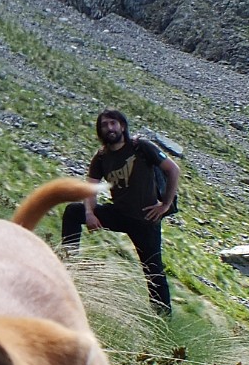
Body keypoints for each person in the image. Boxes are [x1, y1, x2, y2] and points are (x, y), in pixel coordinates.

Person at [62, 110, 181, 316]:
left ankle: (163, 318)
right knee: (74, 212)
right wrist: (90, 213)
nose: (109, 128)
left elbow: (173, 170)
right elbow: (90, 188)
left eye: (113, 123)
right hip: (119, 214)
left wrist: (165, 205)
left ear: (122, 126)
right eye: (104, 125)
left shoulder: (141, 147)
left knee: (153, 271)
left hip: (146, 220)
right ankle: (68, 265)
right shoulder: (100, 158)